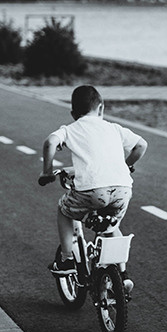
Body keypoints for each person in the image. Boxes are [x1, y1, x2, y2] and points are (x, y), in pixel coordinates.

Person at [41, 85, 148, 292]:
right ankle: (123, 274)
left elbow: (50, 142)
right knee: (110, 225)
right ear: (101, 108)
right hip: (122, 189)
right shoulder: (114, 128)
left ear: (73, 113)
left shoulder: (70, 129)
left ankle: (66, 259)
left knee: (64, 210)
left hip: (92, 191)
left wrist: (46, 172)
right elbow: (141, 145)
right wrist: (126, 165)